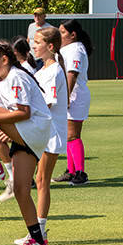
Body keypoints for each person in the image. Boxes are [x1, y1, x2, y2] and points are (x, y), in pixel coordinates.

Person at [0, 41, 53, 245]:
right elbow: (2, 111)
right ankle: (38, 243)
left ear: (4, 60)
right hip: (24, 131)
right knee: (20, 190)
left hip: (35, 128)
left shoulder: (16, 76)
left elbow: (24, 112)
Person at [14, 26, 68, 245]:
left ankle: (40, 231)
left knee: (42, 180)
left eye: (37, 42)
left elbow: (47, 103)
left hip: (51, 133)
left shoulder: (54, 71)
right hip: (40, 132)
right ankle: (36, 229)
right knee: (36, 179)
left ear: (51, 46)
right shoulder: (43, 70)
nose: (33, 46)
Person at [54, 19, 92, 185]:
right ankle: (71, 170)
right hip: (70, 94)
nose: (60, 35)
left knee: (72, 135)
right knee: (68, 135)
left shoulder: (76, 49)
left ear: (73, 34)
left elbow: (72, 74)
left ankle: (80, 173)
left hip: (76, 94)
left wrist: (66, 96)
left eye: (63, 32)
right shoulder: (67, 49)